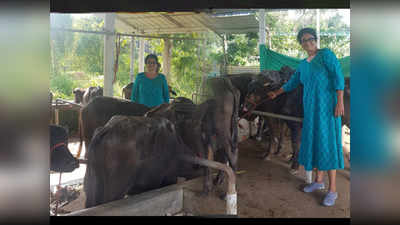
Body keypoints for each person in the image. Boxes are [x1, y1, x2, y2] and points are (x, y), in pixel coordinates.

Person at [267, 27, 345, 207]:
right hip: (311, 110)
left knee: (327, 145)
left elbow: (337, 77)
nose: (308, 42)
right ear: (301, 44)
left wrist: (339, 101)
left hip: (327, 109)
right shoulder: (303, 64)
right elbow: (292, 82)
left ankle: (332, 189)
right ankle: (318, 180)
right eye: (303, 40)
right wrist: (276, 93)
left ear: (316, 39)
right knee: (315, 143)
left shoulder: (326, 55)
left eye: (310, 38)